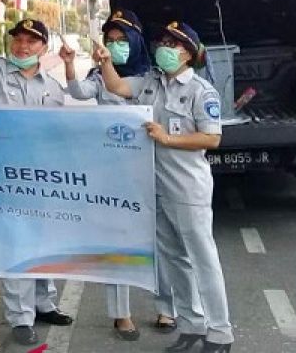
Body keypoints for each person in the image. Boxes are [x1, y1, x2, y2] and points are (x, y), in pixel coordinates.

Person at [98, 20, 232, 353]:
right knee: (175, 261)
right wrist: (103, 61)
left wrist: (167, 137)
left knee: (203, 260)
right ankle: (191, 327)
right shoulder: (149, 82)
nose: (164, 49)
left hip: (187, 189)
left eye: (173, 45)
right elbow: (115, 87)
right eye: (163, 43)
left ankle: (220, 333)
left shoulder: (201, 91)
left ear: (188, 52)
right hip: (154, 187)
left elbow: (212, 137)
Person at [0, 0, 74, 348]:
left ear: (42, 47)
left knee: (44, 243)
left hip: (42, 177)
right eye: (18, 40)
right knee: (16, 245)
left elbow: (58, 134)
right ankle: (19, 318)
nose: (22, 46)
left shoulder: (53, 88)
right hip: (5, 178)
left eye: (31, 41)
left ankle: (44, 303)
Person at [63, 9, 180, 342]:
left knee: (160, 242)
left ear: (136, 41)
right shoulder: (100, 75)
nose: (115, 46)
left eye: (122, 40)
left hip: (153, 169)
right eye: (110, 40)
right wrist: (72, 63)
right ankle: (121, 315)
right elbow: (78, 92)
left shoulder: (154, 77)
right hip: (113, 172)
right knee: (119, 244)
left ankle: (166, 306)